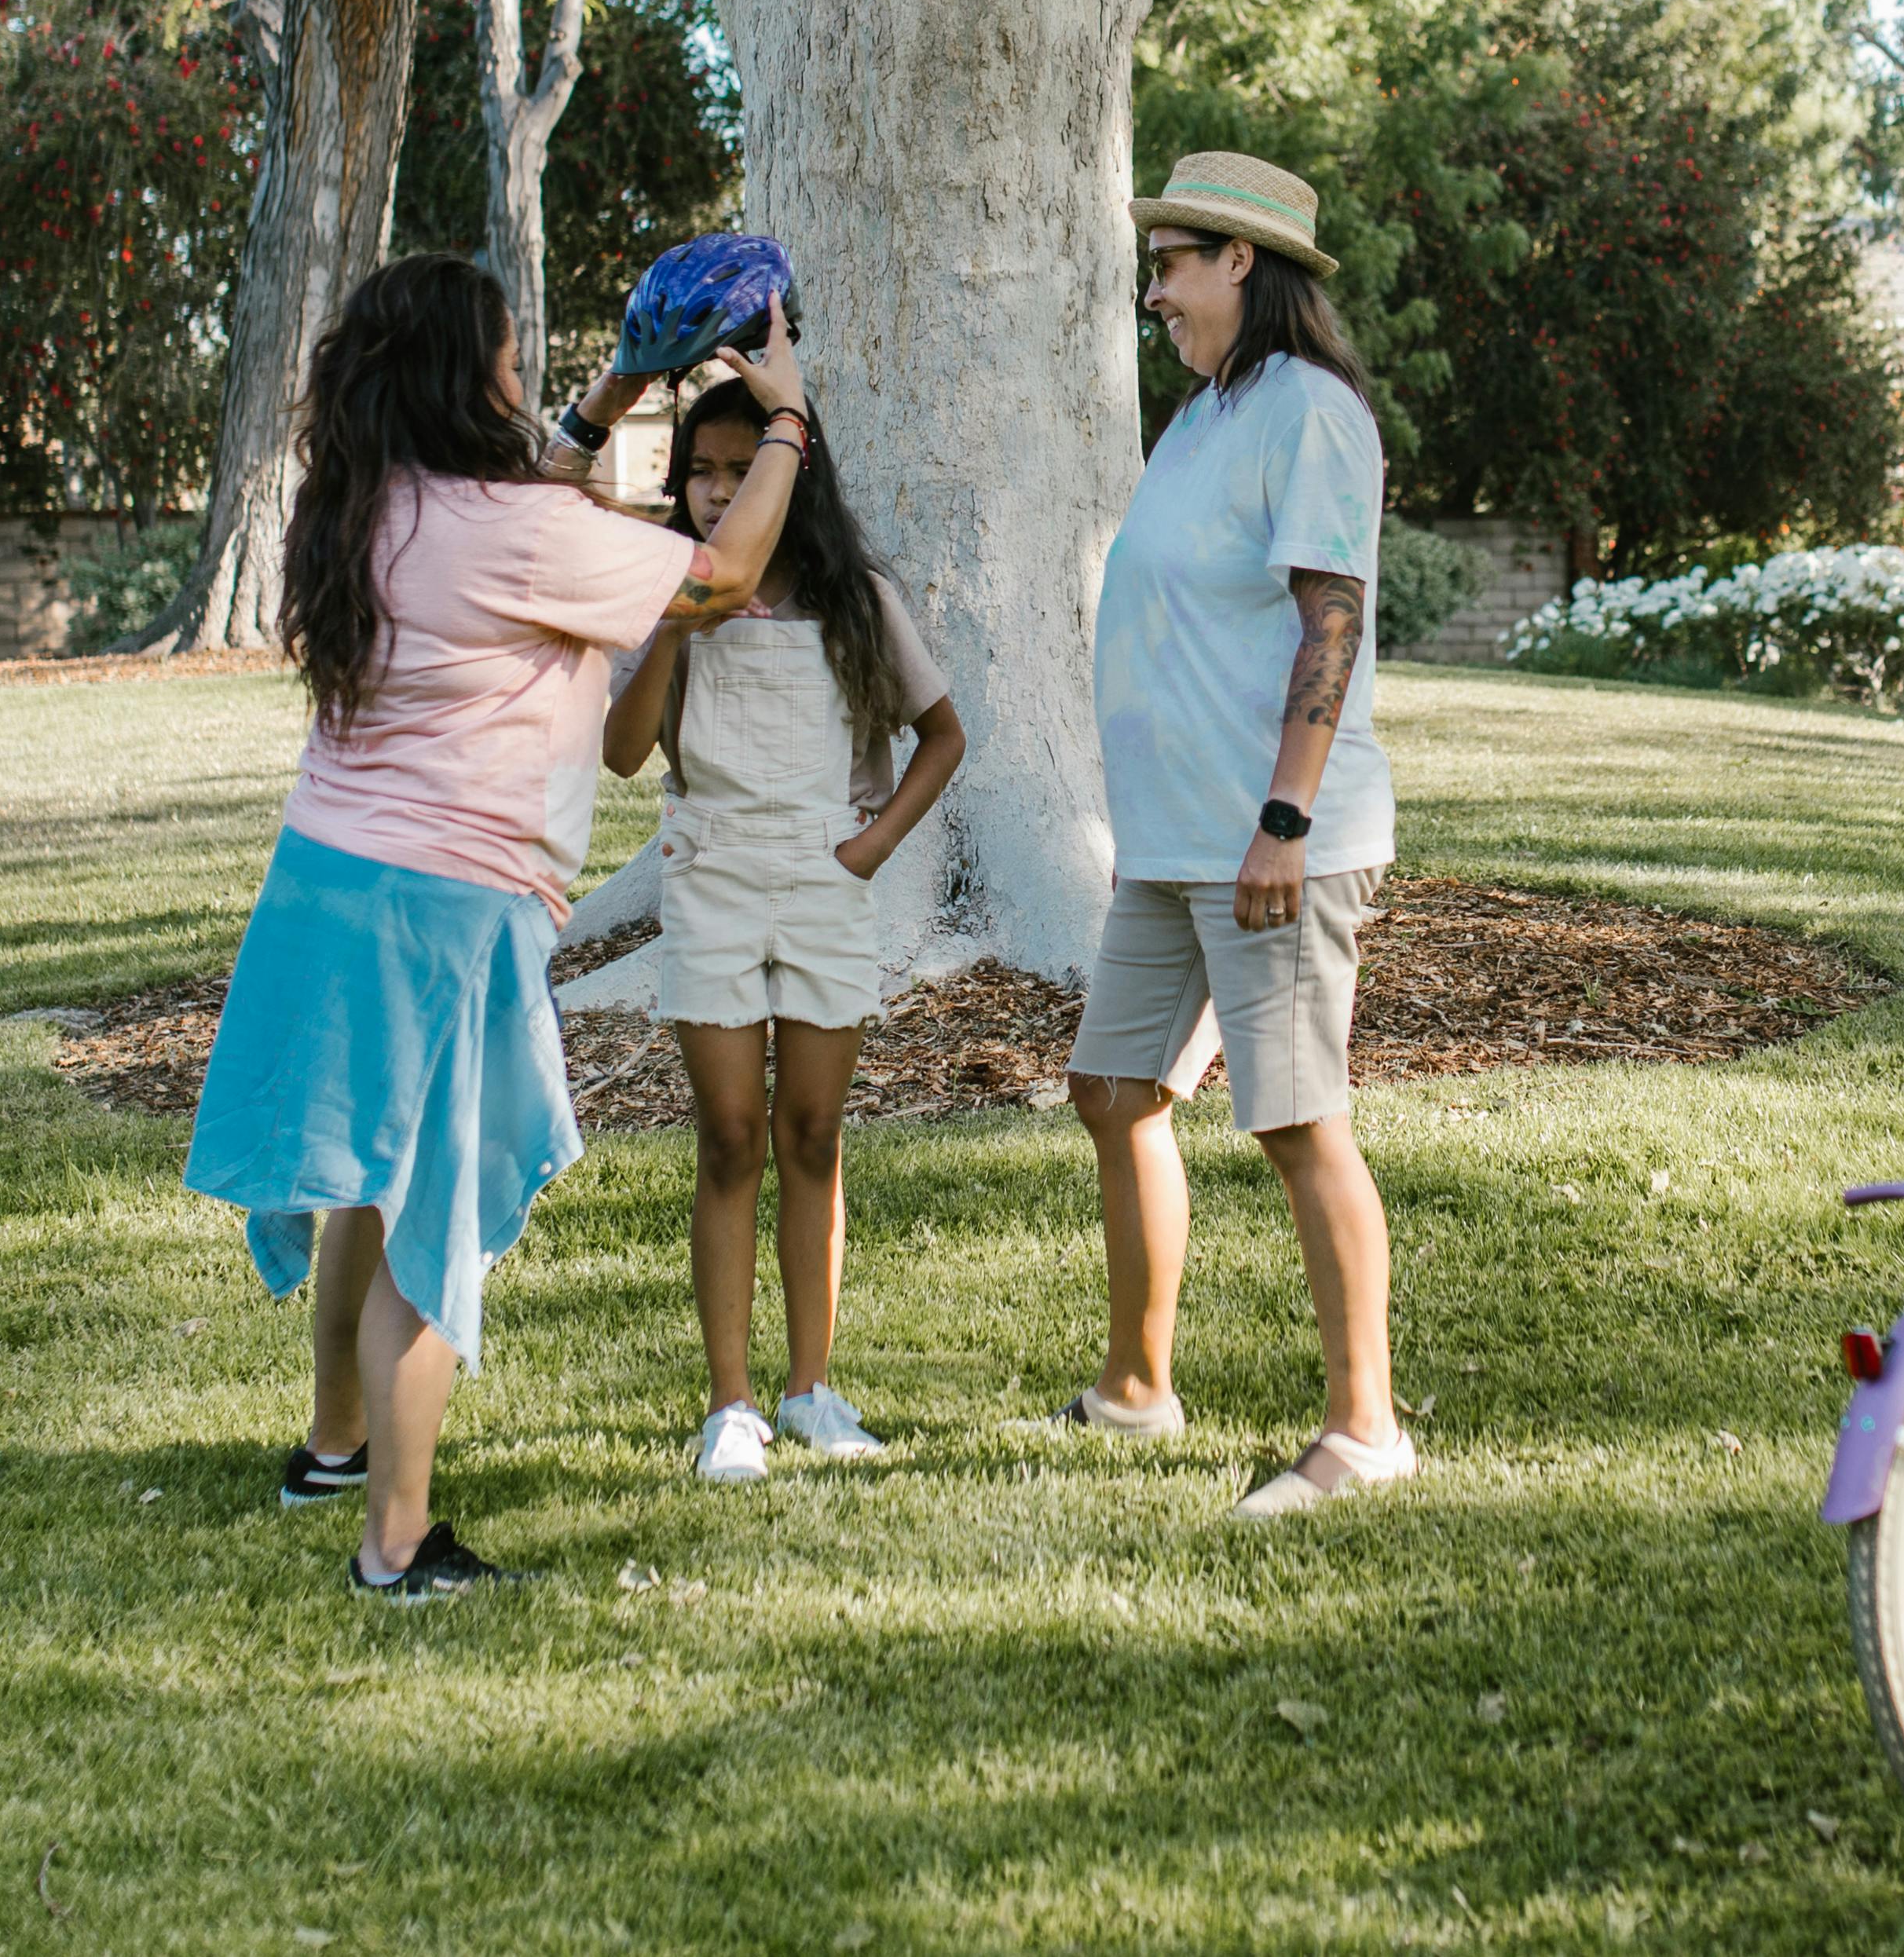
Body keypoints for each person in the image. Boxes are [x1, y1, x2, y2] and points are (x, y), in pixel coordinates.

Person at [184, 251, 809, 1599]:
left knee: (371, 1168)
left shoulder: (372, 501)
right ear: (465, 376)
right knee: (434, 1217)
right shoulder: (512, 529)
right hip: (447, 905)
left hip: (329, 881)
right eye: (514, 361)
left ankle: (338, 1448)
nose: (528, 383)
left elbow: (534, 489)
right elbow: (721, 571)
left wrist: (617, 395)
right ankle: (397, 1545)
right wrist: (789, 417)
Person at [1055, 150, 1413, 1518]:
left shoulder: (1311, 415)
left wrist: (1285, 819)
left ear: (1241, 264)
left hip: (1274, 838)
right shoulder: (1206, 415)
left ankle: (1365, 1428)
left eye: (1171, 265)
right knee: (1116, 1087)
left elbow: (1334, 619)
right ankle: (1139, 1388)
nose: (1156, 294)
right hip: (1171, 842)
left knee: (1298, 1120)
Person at [604, 377, 968, 1483]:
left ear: (787, 475)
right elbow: (623, 751)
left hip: (824, 875)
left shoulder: (852, 595)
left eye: (736, 468)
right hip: (710, 869)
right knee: (730, 1137)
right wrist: (680, 608)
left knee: (812, 1132)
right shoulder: (668, 593)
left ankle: (811, 1386)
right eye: (697, 475)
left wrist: (870, 848)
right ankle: (731, 1404)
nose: (716, 493)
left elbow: (942, 735)